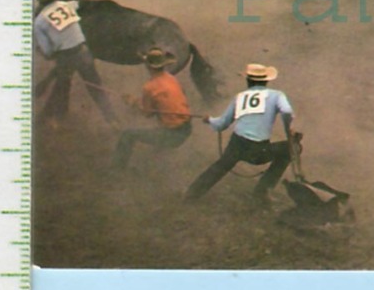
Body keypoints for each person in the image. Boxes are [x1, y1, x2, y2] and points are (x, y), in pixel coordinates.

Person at [185, 63, 294, 208]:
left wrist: (209, 120)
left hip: (237, 143)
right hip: (258, 149)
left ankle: (192, 194)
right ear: (266, 81)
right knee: (289, 149)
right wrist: (289, 132)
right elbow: (287, 112)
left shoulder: (240, 97)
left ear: (248, 81)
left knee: (222, 165)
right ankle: (262, 192)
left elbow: (221, 124)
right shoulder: (276, 95)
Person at [33, 0, 117, 127]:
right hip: (83, 52)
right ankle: (112, 119)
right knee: (96, 86)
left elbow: (47, 51)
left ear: (40, 2)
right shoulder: (66, 5)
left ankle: (58, 121)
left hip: (65, 57)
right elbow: (81, 2)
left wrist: (46, 51)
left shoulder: (39, 22)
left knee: (62, 88)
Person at [111, 47, 193, 170]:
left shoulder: (149, 87)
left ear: (148, 67)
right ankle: (159, 159)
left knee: (127, 135)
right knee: (162, 124)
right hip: (187, 127)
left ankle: (117, 169)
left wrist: (132, 102)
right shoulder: (172, 79)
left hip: (173, 135)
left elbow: (147, 113)